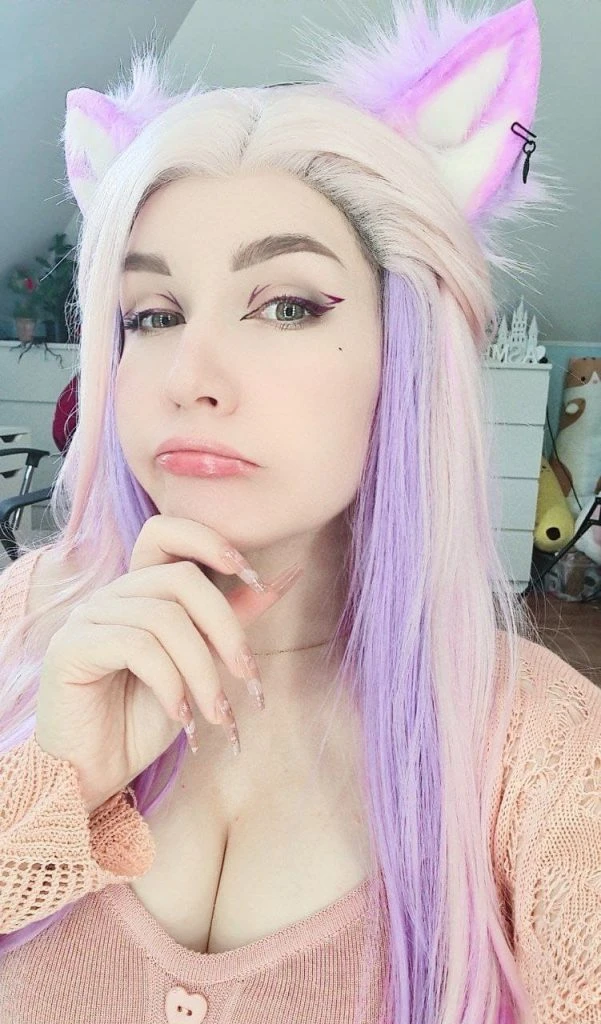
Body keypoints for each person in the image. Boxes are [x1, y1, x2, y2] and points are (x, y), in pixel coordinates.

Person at [0, 1, 599, 1021]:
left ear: (405, 355)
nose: (189, 375)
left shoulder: (546, 759)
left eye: (286, 306)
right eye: (152, 315)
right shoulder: (25, 626)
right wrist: (55, 785)